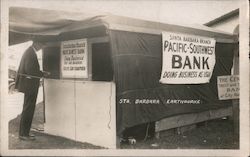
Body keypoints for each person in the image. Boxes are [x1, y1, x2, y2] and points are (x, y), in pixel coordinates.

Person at [15, 41, 49, 141]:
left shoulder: (29, 52)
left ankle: (24, 133)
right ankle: (24, 134)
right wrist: (43, 74)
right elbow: (31, 70)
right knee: (28, 109)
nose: (41, 48)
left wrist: (41, 73)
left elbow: (31, 70)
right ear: (37, 44)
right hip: (30, 86)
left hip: (28, 86)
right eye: (41, 45)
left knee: (27, 108)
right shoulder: (30, 53)